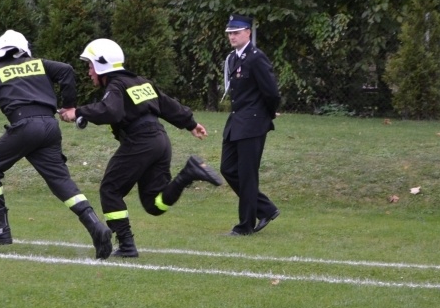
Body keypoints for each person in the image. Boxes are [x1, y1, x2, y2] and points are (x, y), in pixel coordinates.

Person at [0, 29, 113, 259]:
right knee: (61, 182)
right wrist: (69, 105)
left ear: (0, 53)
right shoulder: (39, 64)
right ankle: (96, 226)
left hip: (24, 126)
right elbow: (67, 70)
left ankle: (0, 228)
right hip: (50, 127)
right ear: (24, 49)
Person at [59, 38, 223, 258]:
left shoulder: (116, 85)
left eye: (90, 66)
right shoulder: (140, 81)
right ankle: (188, 173)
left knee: (110, 189)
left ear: (102, 64)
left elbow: (111, 111)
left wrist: (78, 112)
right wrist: (190, 123)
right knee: (154, 205)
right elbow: (165, 103)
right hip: (160, 141)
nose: (89, 72)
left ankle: (126, 246)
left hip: (141, 142)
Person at [220, 14, 281, 235]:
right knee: (227, 169)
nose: (232, 37)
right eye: (230, 33)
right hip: (237, 122)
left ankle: (245, 226)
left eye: (236, 32)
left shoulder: (256, 58)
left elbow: (271, 91)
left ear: (248, 33)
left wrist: (269, 113)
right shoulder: (234, 58)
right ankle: (266, 209)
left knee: (247, 175)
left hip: (253, 123)